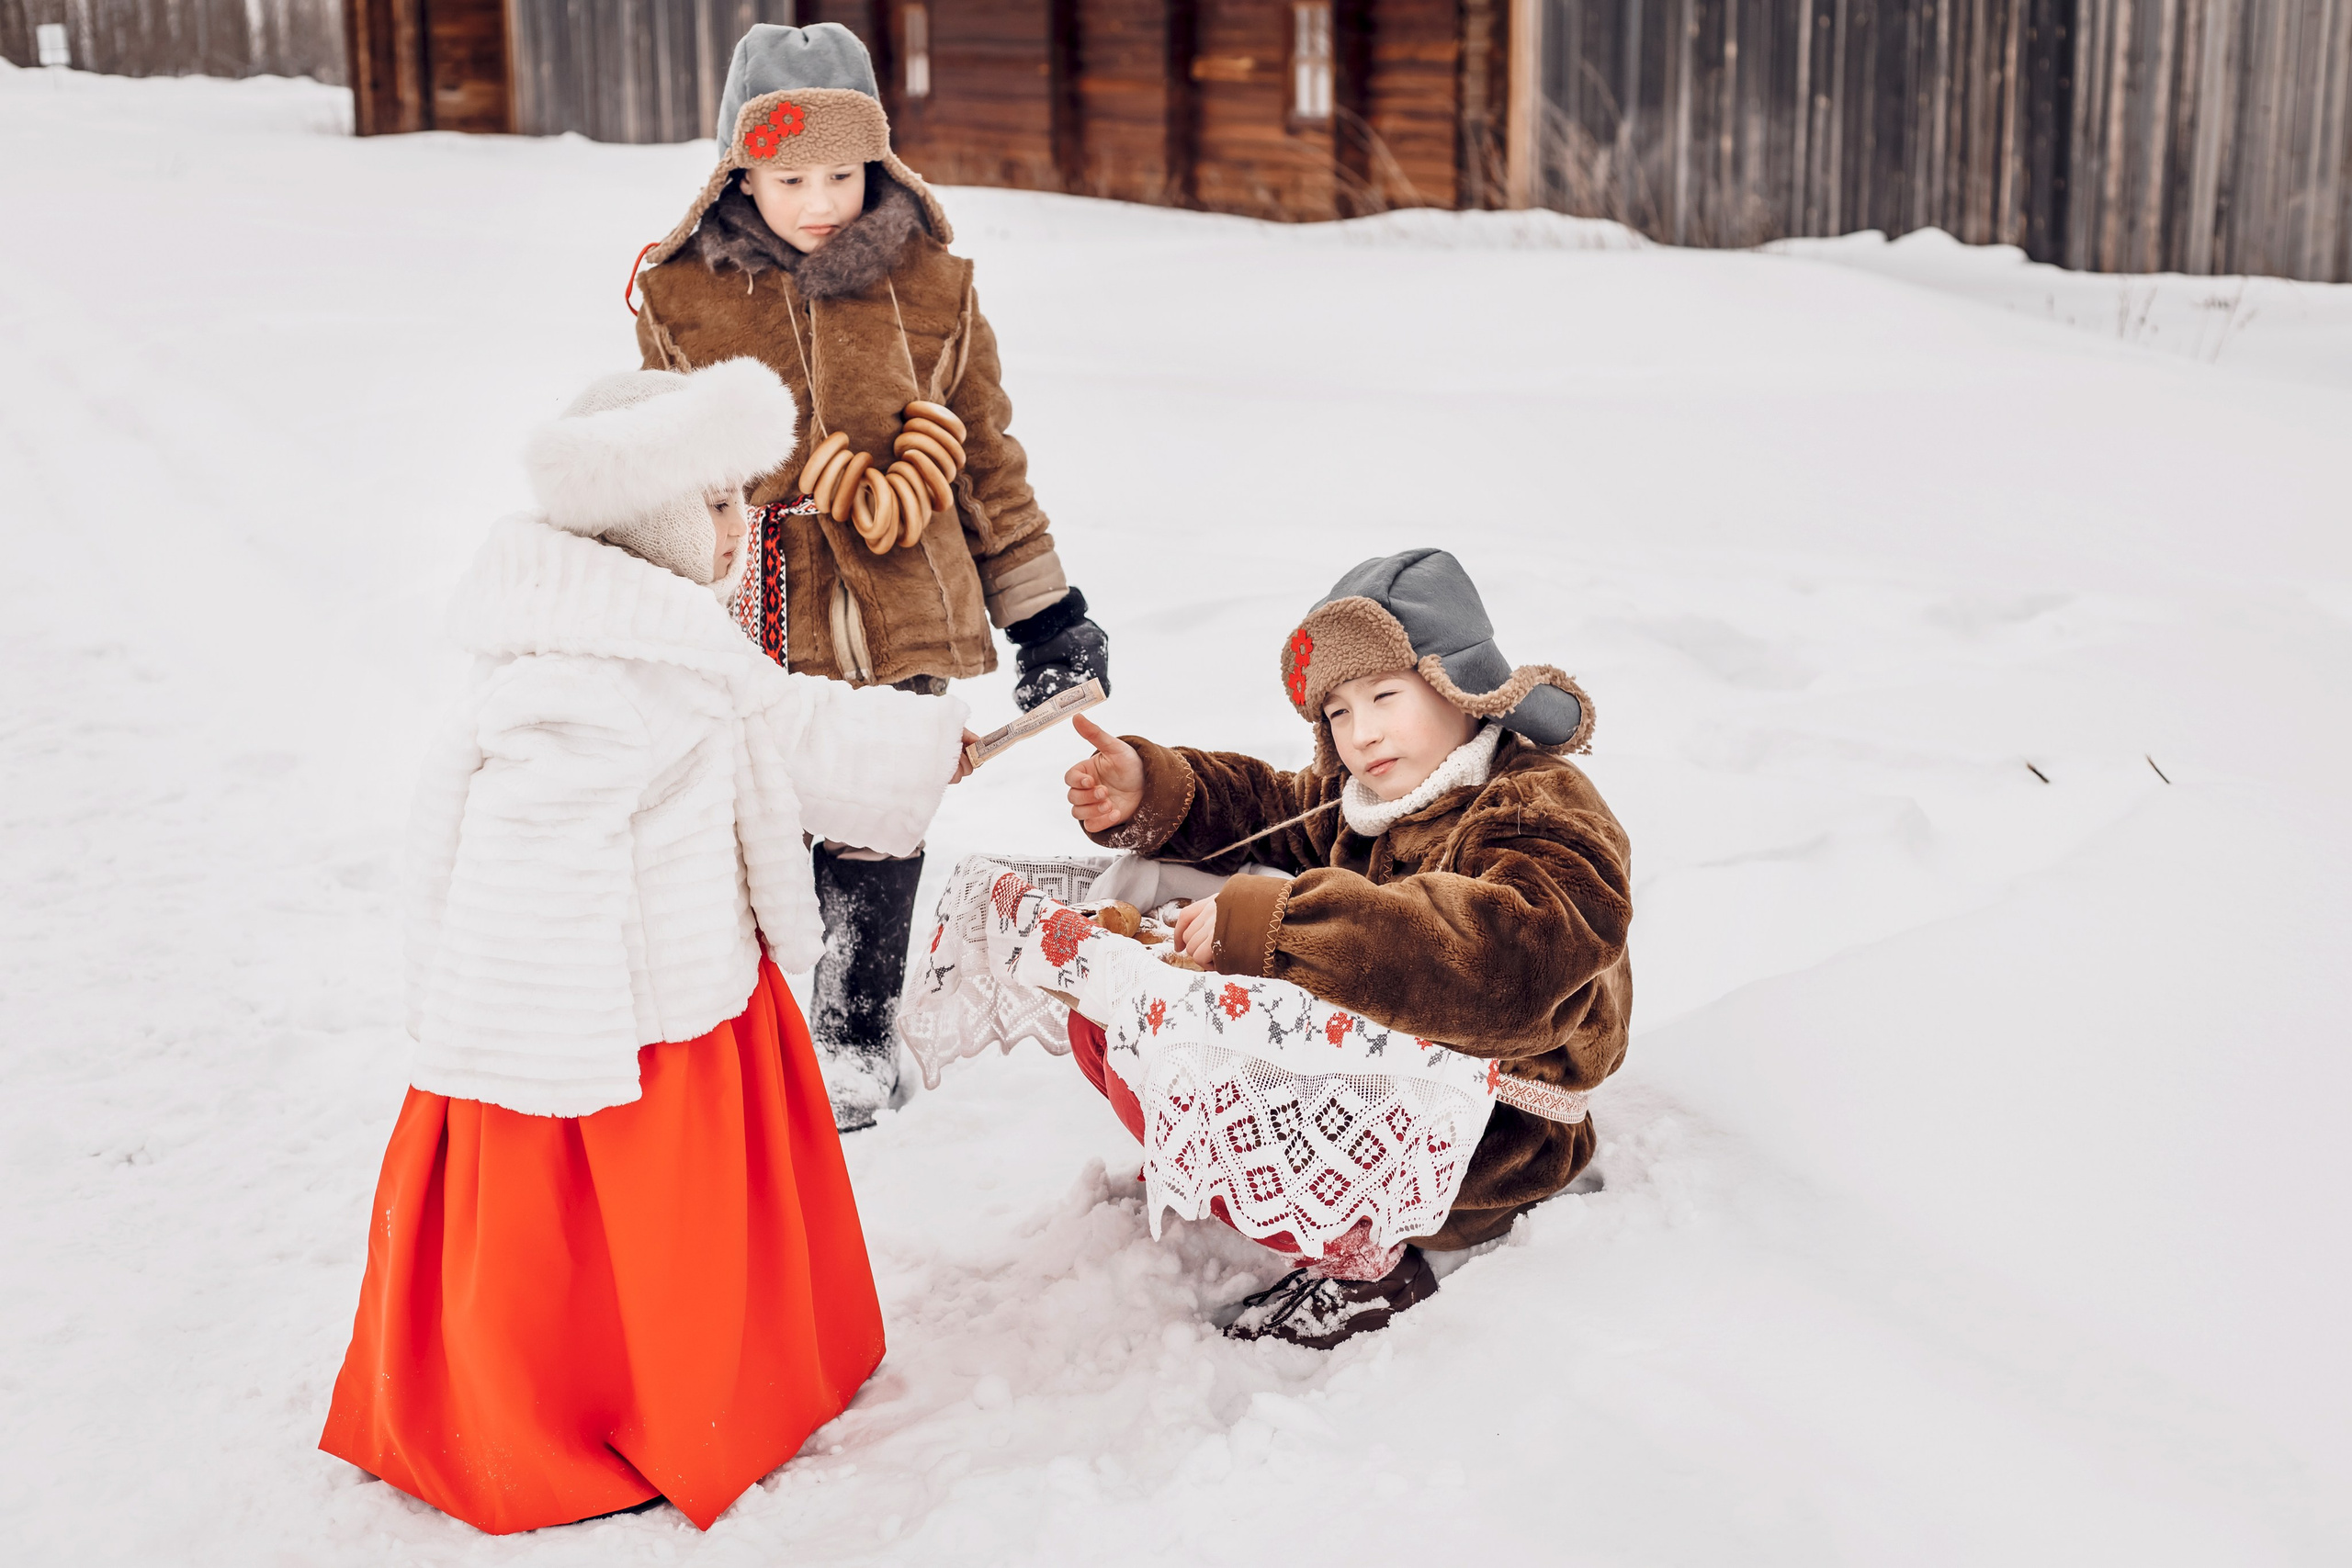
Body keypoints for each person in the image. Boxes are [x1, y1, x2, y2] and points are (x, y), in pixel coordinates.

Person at [319, 361, 974, 1535]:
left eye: (740, 498)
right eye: (713, 503)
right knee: (632, 1244)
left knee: (708, 1230)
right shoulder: (570, 684)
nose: (739, 526)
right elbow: (523, 890)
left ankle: (742, 1384)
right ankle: (598, 1416)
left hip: (704, 995)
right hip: (605, 1046)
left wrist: (932, 749)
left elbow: (788, 725)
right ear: (638, 515)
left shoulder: (668, 636)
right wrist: (558, 1064)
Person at [632, 22, 1110, 1131]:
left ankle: (852, 1036)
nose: (820, 202)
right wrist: (658, 601)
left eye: (843, 175)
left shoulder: (932, 283)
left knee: (880, 816)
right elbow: (661, 472)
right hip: (761, 606)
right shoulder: (682, 295)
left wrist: (1047, 615)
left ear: (880, 163)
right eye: (791, 178)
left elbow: (985, 460)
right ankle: (752, 1038)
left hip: (904, 602)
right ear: (737, 172)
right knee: (756, 814)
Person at [1061, 548, 1633, 1348]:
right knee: (1119, 1019)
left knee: (1216, 1075)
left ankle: (1388, 1256)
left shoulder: (1536, 805)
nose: (1361, 734)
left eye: (1384, 696)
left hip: (1493, 1134)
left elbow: (1508, 961)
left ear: (1459, 682)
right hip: (1389, 1084)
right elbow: (1267, 809)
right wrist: (1156, 793)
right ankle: (1236, 1171)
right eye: (1336, 712)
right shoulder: (1372, 800)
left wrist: (1277, 922)